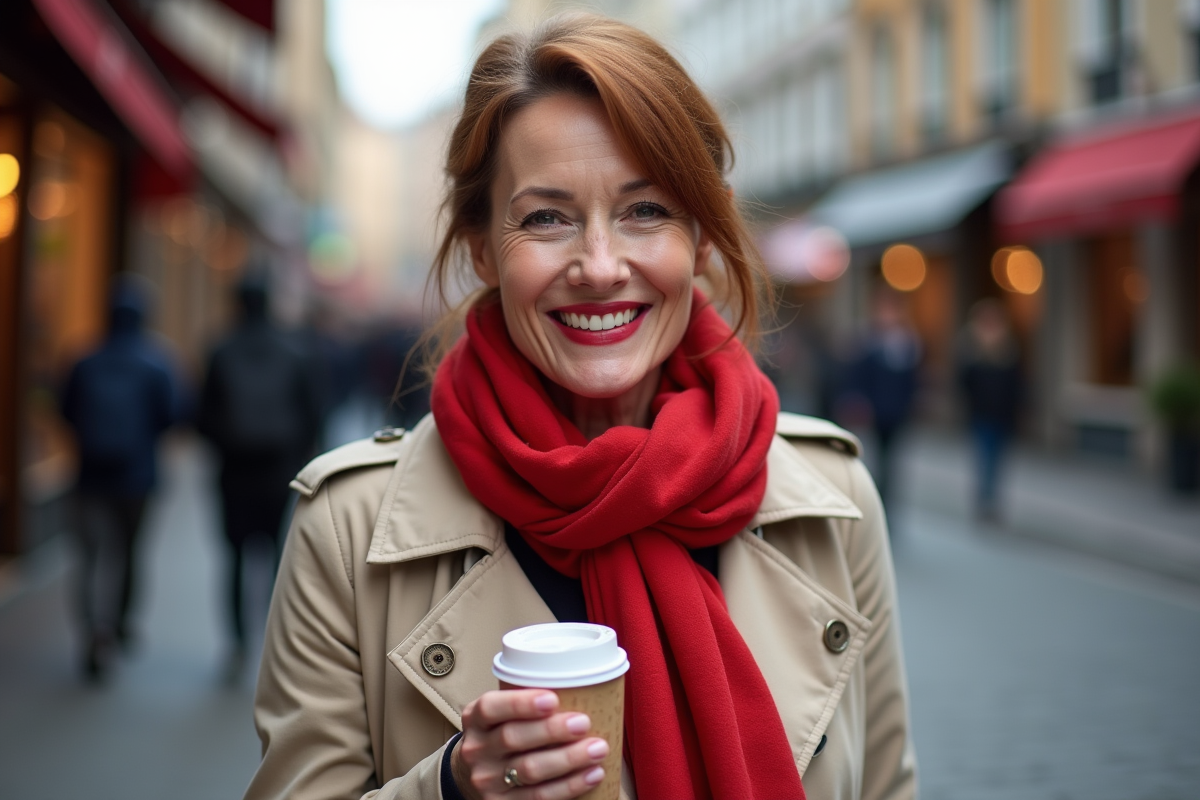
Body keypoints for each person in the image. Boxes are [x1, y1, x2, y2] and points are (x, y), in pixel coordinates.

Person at [245, 15, 915, 800]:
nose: (600, 267)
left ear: (702, 235)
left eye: (646, 211)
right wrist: (452, 789)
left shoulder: (834, 503)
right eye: (546, 218)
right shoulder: (348, 531)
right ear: (481, 248)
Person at [60, 274, 184, 681]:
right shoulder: (156, 361)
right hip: (137, 476)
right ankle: (119, 623)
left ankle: (94, 628)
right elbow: (173, 415)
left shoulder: (84, 359)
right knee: (129, 552)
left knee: (91, 557)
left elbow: (65, 410)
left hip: (90, 476)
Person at [198, 272, 322, 677]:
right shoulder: (292, 350)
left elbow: (203, 416)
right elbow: (312, 414)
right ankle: (275, 642)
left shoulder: (221, 350)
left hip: (234, 472)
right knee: (276, 559)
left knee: (233, 557)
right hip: (279, 471)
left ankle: (236, 643)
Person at [839, 288, 922, 512]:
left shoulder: (907, 341)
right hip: (874, 411)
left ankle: (885, 504)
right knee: (874, 460)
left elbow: (913, 379)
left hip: (897, 412)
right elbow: (857, 375)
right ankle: (875, 502)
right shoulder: (869, 340)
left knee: (891, 461)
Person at [957, 298, 1023, 521]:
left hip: (1002, 416)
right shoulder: (972, 350)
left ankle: (992, 499)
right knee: (984, 457)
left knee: (998, 460)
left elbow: (1017, 385)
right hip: (981, 415)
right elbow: (964, 383)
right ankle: (984, 501)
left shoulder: (1009, 351)